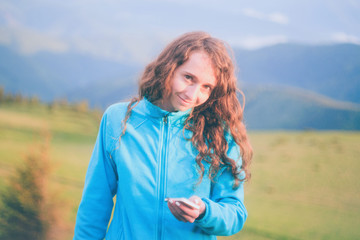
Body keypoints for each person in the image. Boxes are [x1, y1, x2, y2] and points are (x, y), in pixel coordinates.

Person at [73, 31, 253, 240]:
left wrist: (205, 211)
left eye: (206, 87)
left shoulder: (218, 134)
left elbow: (235, 214)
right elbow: (95, 203)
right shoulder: (118, 119)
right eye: (188, 78)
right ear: (169, 68)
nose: (193, 95)